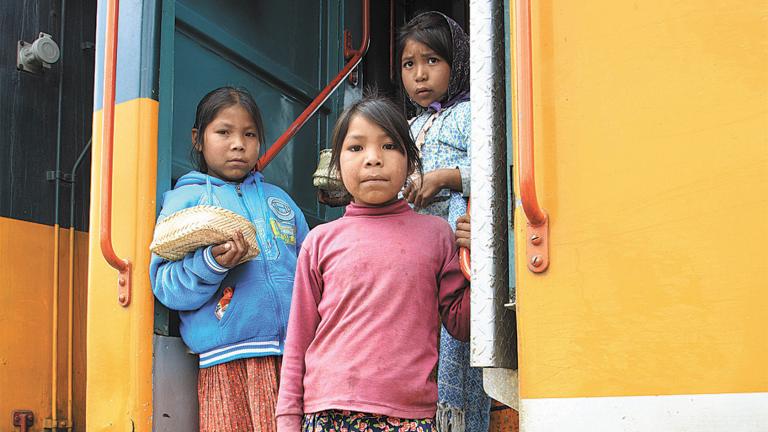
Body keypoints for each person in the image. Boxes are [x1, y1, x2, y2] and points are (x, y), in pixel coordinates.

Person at [275, 96, 471, 432]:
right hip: (329, 414)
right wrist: (287, 420)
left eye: (390, 145)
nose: (373, 159)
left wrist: (480, 261)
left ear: (411, 163)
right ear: (336, 164)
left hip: (408, 419)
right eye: (356, 148)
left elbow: (463, 325)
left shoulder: (437, 235)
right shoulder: (320, 241)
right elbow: (298, 339)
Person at [150, 86, 309, 432]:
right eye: (224, 132)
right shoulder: (186, 201)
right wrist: (212, 264)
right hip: (227, 361)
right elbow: (165, 286)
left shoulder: (279, 201)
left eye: (249, 134)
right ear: (198, 138)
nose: (238, 143)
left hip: (294, 358)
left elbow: (312, 270)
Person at [398, 11, 490, 432]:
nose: (420, 74)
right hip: (417, 258)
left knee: (455, 342)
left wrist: (444, 179)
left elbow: (492, 167)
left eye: (432, 60)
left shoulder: (471, 113)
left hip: (455, 253)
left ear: (459, 61)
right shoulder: (407, 128)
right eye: (409, 64)